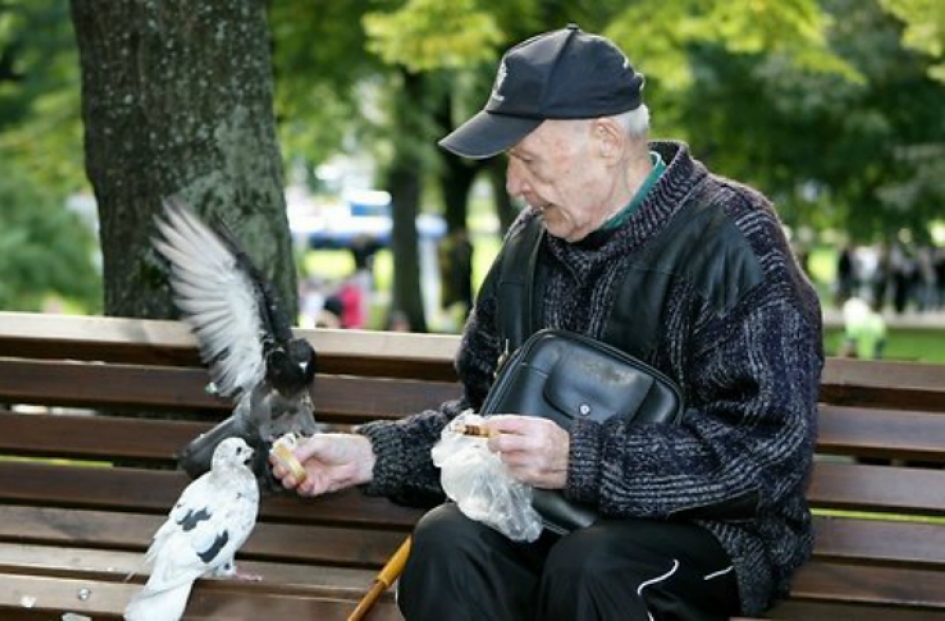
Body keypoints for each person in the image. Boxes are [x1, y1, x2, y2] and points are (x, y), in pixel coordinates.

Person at [272, 25, 823, 620]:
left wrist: (583, 461)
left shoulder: (733, 239)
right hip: (545, 517)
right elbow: (483, 419)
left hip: (710, 536)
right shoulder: (528, 244)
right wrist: (371, 455)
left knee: (595, 565)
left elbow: (768, 452)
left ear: (607, 140)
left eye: (525, 158)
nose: (513, 185)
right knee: (448, 541)